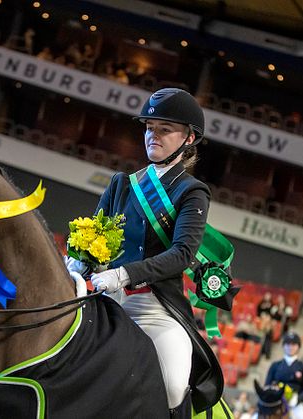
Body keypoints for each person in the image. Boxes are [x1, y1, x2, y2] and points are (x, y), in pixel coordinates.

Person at [66, 88, 219, 418]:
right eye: (149, 127)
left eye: (164, 129)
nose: (153, 135)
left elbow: (182, 254)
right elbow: (93, 234)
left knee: (175, 382)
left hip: (153, 307)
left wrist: (123, 274)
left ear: (189, 138)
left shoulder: (192, 192)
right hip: (106, 299)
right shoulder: (122, 184)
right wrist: (78, 260)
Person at [265, 332, 303, 419]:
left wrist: (297, 399)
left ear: (298, 347)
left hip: (295, 404)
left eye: (293, 344)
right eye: (288, 344)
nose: (290, 347)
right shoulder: (275, 365)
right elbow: (267, 386)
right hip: (275, 402)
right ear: (283, 346)